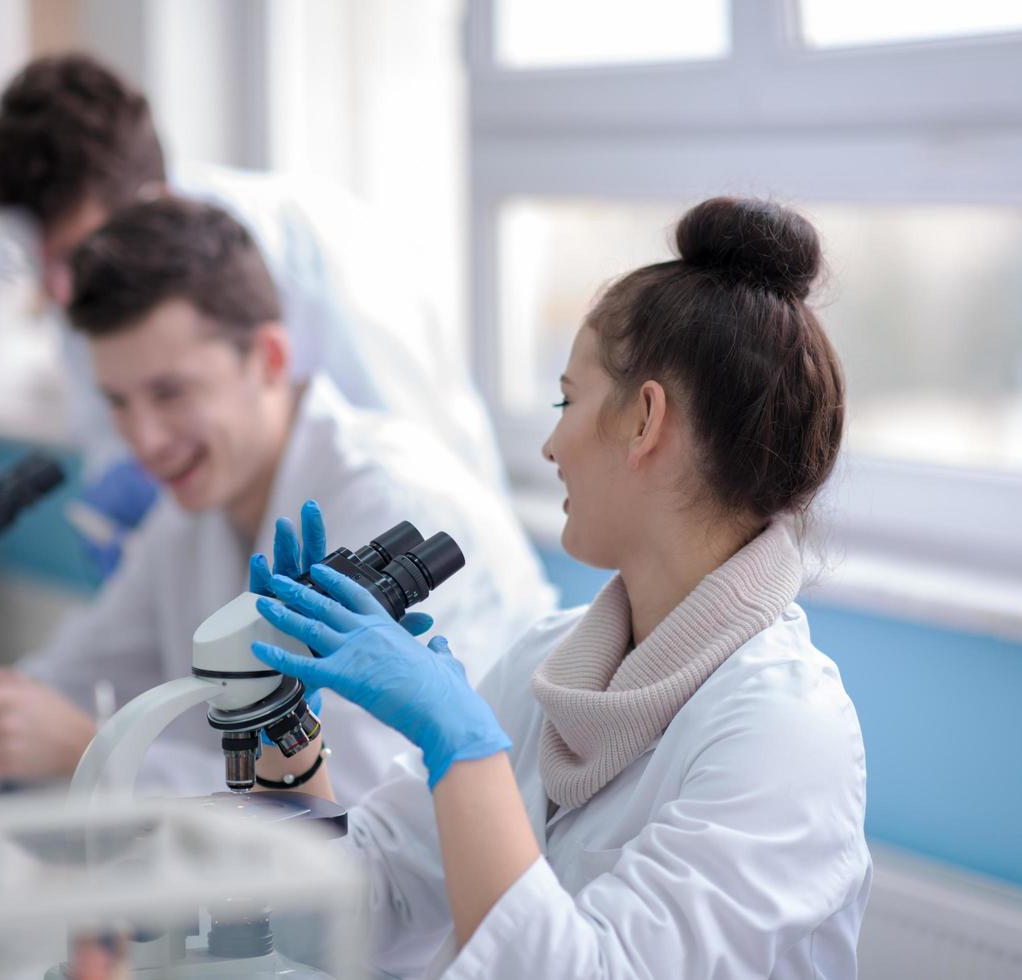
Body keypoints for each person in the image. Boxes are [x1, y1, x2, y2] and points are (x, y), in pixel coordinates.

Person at [248, 198, 870, 977]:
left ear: (646, 421)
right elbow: (344, 922)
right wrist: (289, 729)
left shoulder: (784, 732)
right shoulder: (553, 663)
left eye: (566, 400)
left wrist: (462, 749)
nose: (551, 442)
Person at [0, 196, 555, 803]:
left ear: (269, 359)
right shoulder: (194, 510)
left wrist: (88, 748)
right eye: (119, 403)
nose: (145, 441)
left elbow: (361, 799)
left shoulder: (388, 507)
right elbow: (75, 676)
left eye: (170, 393)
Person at [0, 53, 505, 572]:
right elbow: (116, 435)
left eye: (74, 254)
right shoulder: (93, 281)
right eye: (38, 261)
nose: (59, 290)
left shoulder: (311, 246)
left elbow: (416, 477)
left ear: (151, 196)